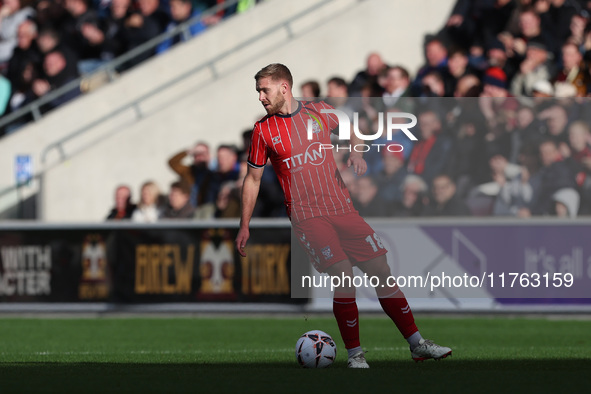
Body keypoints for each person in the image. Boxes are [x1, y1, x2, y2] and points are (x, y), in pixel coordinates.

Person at [236, 63, 451, 368]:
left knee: (381, 270)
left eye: (264, 89)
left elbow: (354, 132)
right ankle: (356, 355)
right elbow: (253, 179)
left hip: (342, 208)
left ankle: (417, 344)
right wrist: (244, 224)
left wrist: (357, 151)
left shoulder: (319, 111)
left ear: (284, 87)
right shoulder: (263, 130)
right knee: (343, 275)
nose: (260, 97)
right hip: (307, 216)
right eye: (258, 90)